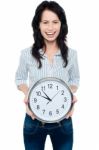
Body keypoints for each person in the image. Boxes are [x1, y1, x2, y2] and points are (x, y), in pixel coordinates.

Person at [15, 1, 80, 150]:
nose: (50, 28)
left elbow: (75, 79)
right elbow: (19, 78)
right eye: (45, 22)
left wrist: (69, 93)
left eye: (55, 22)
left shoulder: (72, 54)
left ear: (61, 24)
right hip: (33, 119)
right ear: (38, 25)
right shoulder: (26, 54)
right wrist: (28, 93)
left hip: (63, 120)